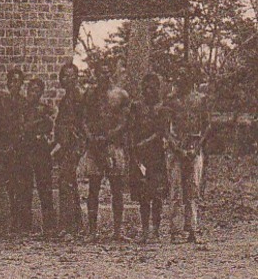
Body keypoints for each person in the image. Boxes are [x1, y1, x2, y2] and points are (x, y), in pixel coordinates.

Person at [83, 61, 132, 241]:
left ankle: (118, 231)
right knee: (93, 188)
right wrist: (91, 138)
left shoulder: (121, 95)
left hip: (113, 146)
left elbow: (125, 122)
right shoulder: (90, 94)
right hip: (95, 145)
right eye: (100, 73)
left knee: (117, 188)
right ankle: (92, 231)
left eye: (106, 72)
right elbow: (85, 119)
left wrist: (110, 136)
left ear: (110, 73)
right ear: (95, 74)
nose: (104, 76)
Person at [166, 75, 209, 244]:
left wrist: (197, 147)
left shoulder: (200, 100)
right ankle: (175, 230)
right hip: (175, 148)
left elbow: (207, 125)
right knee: (175, 190)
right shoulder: (171, 101)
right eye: (180, 76)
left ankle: (192, 228)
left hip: (194, 147)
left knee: (193, 189)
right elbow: (165, 128)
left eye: (186, 76)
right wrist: (176, 148)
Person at [0, 69, 29, 233]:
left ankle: (22, 220)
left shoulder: (24, 102)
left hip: (21, 148)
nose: (15, 84)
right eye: (12, 81)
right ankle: (13, 218)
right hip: (6, 147)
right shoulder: (2, 102)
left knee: (22, 184)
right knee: (10, 184)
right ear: (8, 83)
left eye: (18, 81)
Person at [50, 62, 86, 240]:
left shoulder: (79, 99)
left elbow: (79, 125)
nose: (68, 79)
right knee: (67, 184)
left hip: (73, 146)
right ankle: (75, 224)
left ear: (76, 78)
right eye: (65, 76)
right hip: (65, 146)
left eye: (72, 76)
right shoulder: (66, 100)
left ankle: (70, 227)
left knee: (66, 183)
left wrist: (75, 146)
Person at [132, 73, 168, 244]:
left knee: (157, 193)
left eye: (152, 87)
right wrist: (134, 147)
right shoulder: (137, 107)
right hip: (140, 155)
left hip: (157, 154)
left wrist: (145, 142)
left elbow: (161, 131)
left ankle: (156, 230)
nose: (149, 91)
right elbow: (131, 127)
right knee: (143, 194)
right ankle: (145, 229)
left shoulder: (162, 108)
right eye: (146, 87)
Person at [22, 77, 58, 238]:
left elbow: (51, 127)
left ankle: (49, 226)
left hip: (41, 151)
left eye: (37, 90)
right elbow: (24, 127)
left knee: (45, 188)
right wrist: (38, 121)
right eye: (31, 90)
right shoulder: (23, 108)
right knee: (25, 188)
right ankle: (25, 225)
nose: (33, 93)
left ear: (41, 92)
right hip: (27, 149)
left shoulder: (45, 109)